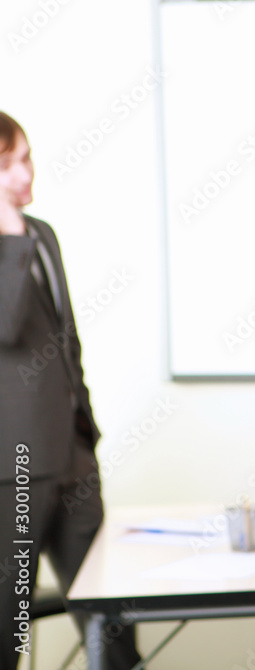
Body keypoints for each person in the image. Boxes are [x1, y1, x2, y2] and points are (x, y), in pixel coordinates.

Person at [0, 112, 141, 669]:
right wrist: (9, 238)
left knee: (109, 611)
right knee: (11, 619)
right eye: (7, 165)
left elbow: (65, 339)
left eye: (26, 158)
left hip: (74, 454)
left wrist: (87, 424)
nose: (24, 173)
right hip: (16, 469)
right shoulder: (18, 240)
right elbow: (6, 328)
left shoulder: (43, 234)